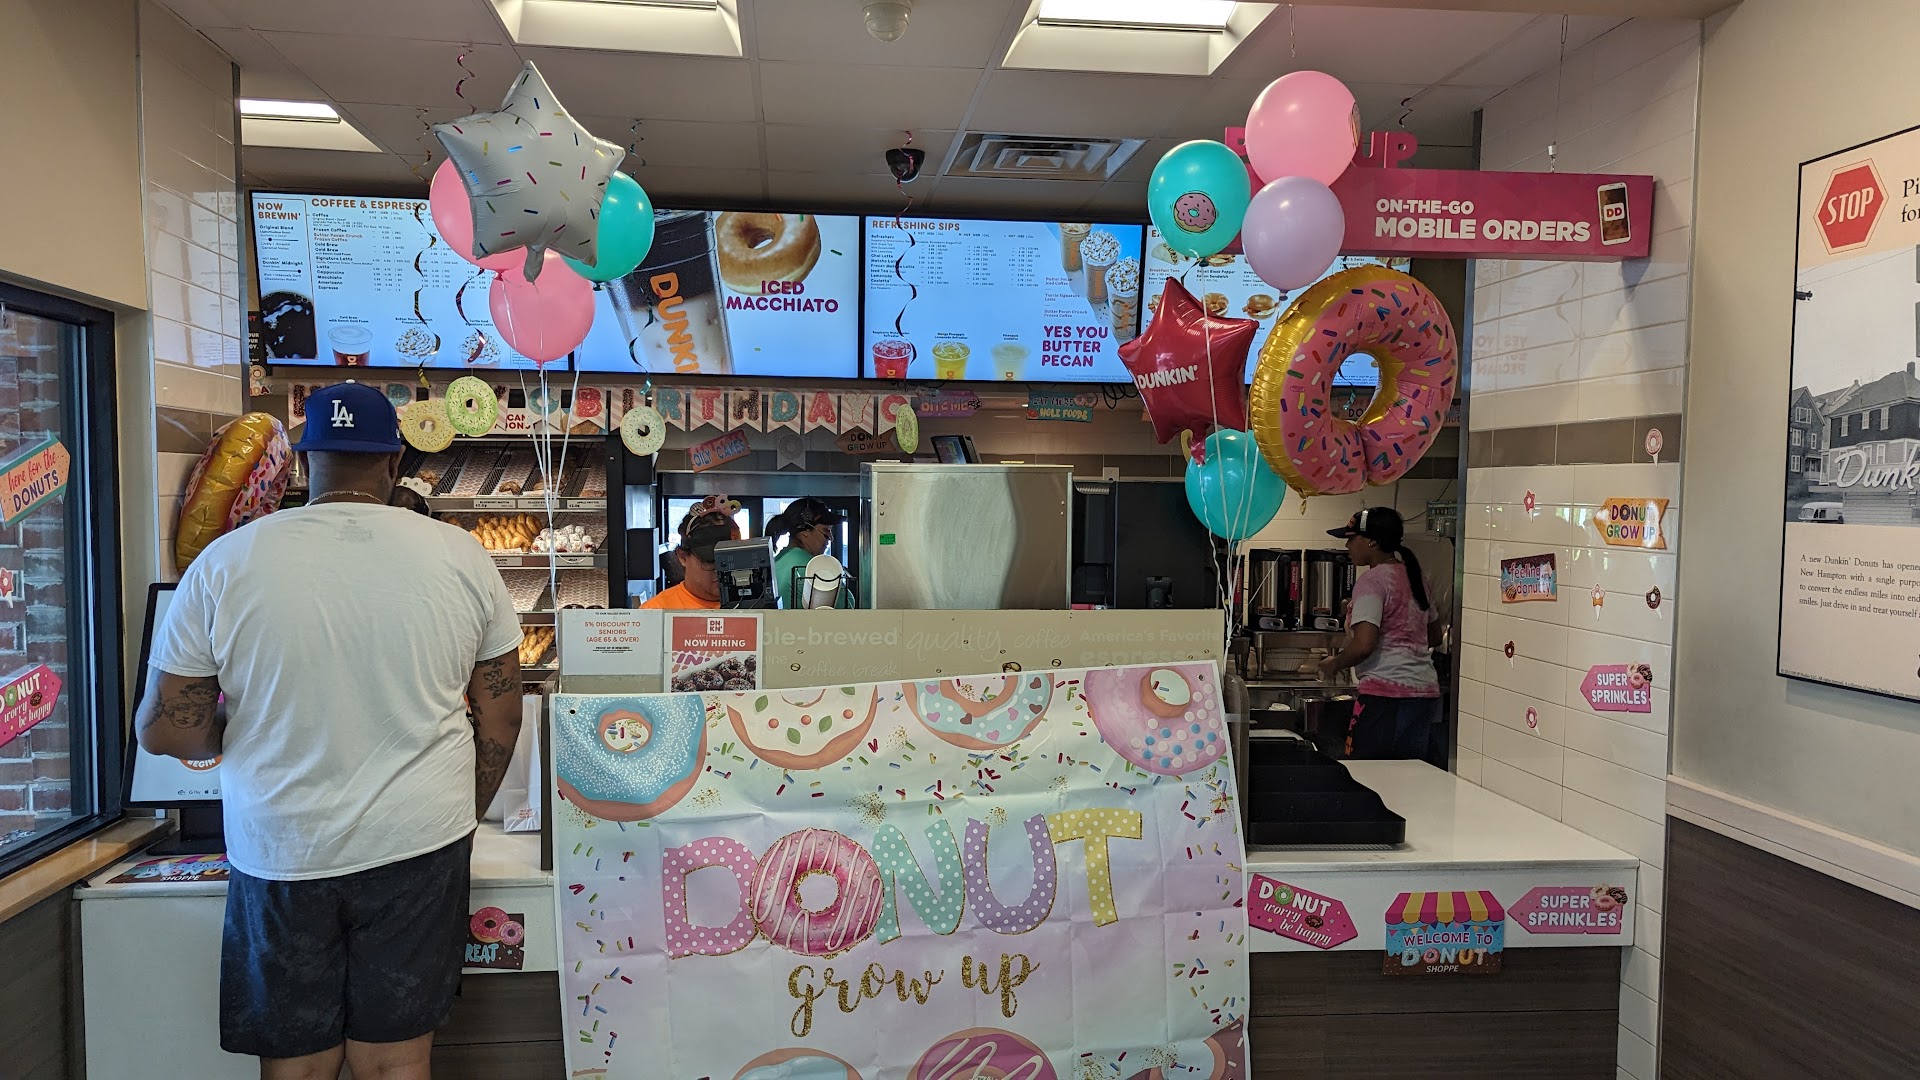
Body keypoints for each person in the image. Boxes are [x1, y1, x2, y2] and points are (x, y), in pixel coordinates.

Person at [135, 383, 524, 1080]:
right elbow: (502, 713)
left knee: (298, 1066)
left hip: (281, 843)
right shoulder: (461, 555)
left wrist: (238, 724)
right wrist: (462, 814)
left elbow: (166, 732)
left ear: (304, 460)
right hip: (419, 841)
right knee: (395, 1062)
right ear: (394, 460)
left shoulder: (224, 562)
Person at [1316, 507, 1444, 760]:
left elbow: (1364, 644)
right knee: (1410, 772)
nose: (1347, 545)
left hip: (1385, 697)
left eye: (1352, 538)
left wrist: (1334, 663)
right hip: (1423, 694)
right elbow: (1434, 636)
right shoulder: (1414, 577)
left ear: (1372, 541)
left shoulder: (1372, 581)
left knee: (1369, 772)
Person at [642, 509, 733, 610]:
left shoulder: (749, 607)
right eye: (710, 561)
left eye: (730, 560)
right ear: (683, 557)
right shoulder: (655, 611)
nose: (722, 569)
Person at [765, 497, 843, 608]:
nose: (831, 537)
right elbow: (847, 604)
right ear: (805, 531)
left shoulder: (777, 562)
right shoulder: (813, 567)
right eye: (826, 530)